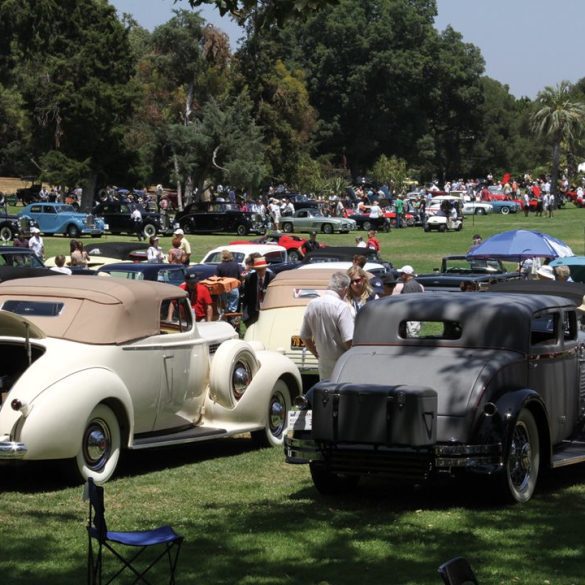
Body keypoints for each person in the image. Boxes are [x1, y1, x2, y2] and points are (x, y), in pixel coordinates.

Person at [300, 272, 354, 380]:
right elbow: (349, 340)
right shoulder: (342, 307)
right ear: (345, 289)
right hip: (342, 363)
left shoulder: (312, 304)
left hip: (323, 362)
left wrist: (317, 354)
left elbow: (305, 337)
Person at [242, 256, 274, 326]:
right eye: (258, 269)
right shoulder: (249, 278)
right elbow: (246, 297)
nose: (259, 272)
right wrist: (245, 315)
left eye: (261, 269)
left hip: (267, 311)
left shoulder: (271, 277)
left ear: (265, 268)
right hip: (253, 312)